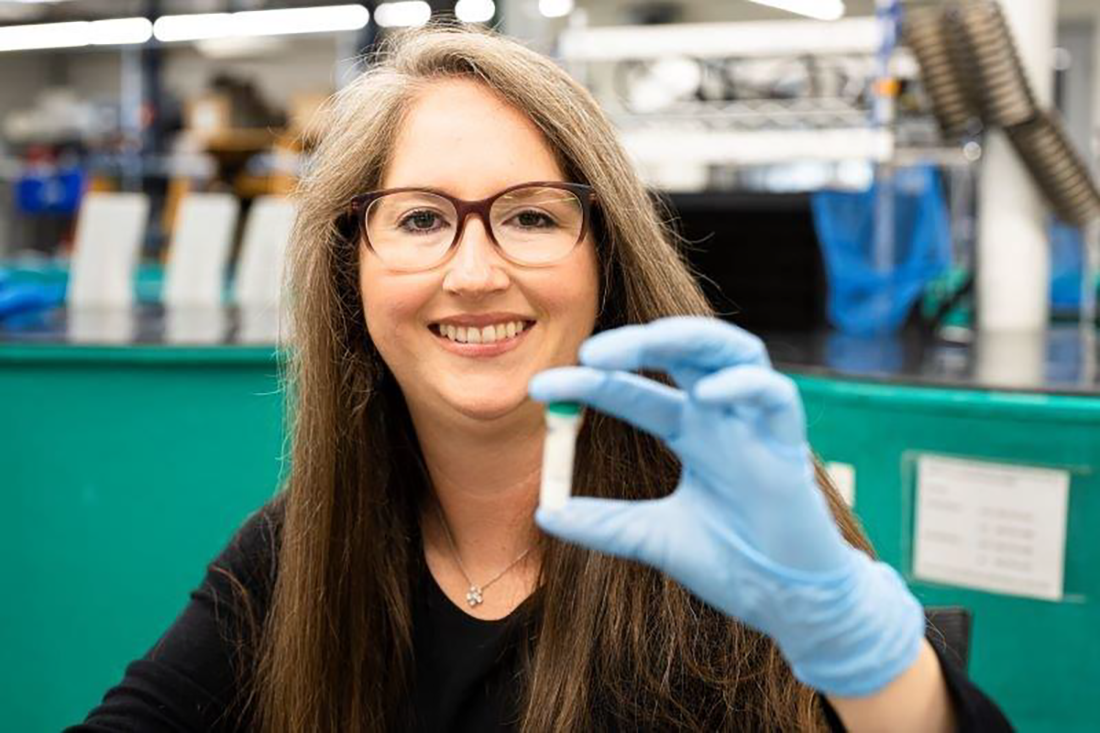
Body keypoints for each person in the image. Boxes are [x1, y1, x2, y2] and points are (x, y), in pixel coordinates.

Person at [70, 25, 1012, 732]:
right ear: (346, 272)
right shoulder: (303, 546)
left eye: (528, 216)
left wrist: (861, 648)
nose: (475, 270)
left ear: (603, 258)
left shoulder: (736, 517)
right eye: (419, 219)